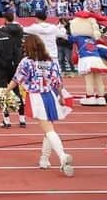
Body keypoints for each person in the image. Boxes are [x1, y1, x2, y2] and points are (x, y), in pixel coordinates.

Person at [8, 35, 74, 176]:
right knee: (48, 129)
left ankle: (62, 156)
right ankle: (44, 159)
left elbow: (16, 79)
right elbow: (58, 82)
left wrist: (5, 92)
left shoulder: (26, 61)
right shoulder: (51, 62)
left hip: (36, 97)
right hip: (50, 96)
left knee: (48, 129)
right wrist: (61, 97)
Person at [0, 16, 26, 128]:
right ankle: (22, 119)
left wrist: (2, 64)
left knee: (2, 92)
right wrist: (12, 64)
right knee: (16, 91)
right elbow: (15, 51)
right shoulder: (7, 36)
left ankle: (6, 121)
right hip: (11, 67)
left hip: (0, 68)